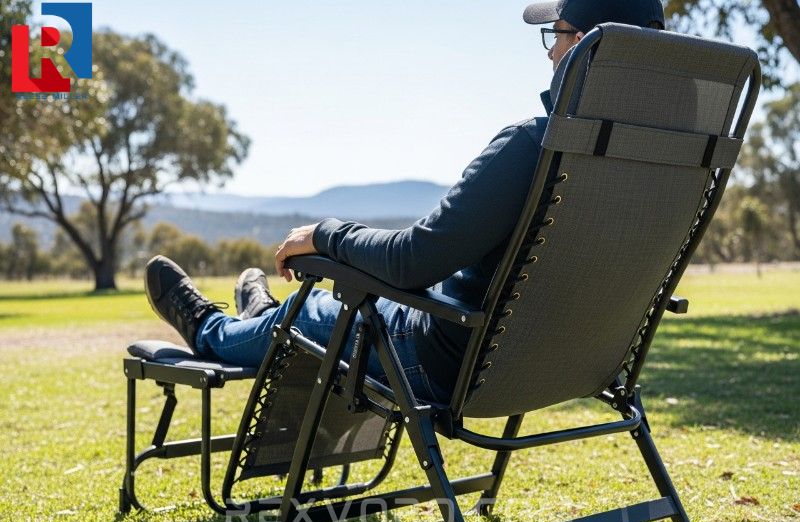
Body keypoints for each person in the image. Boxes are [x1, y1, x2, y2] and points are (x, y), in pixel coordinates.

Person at [145, 0, 666, 402]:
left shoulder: (534, 147)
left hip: (452, 364)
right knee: (323, 310)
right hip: (571, 366)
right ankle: (261, 313)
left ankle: (210, 329)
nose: (551, 50)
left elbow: (412, 260)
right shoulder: (670, 169)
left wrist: (324, 235)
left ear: (581, 49)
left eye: (557, 35)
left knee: (309, 316)